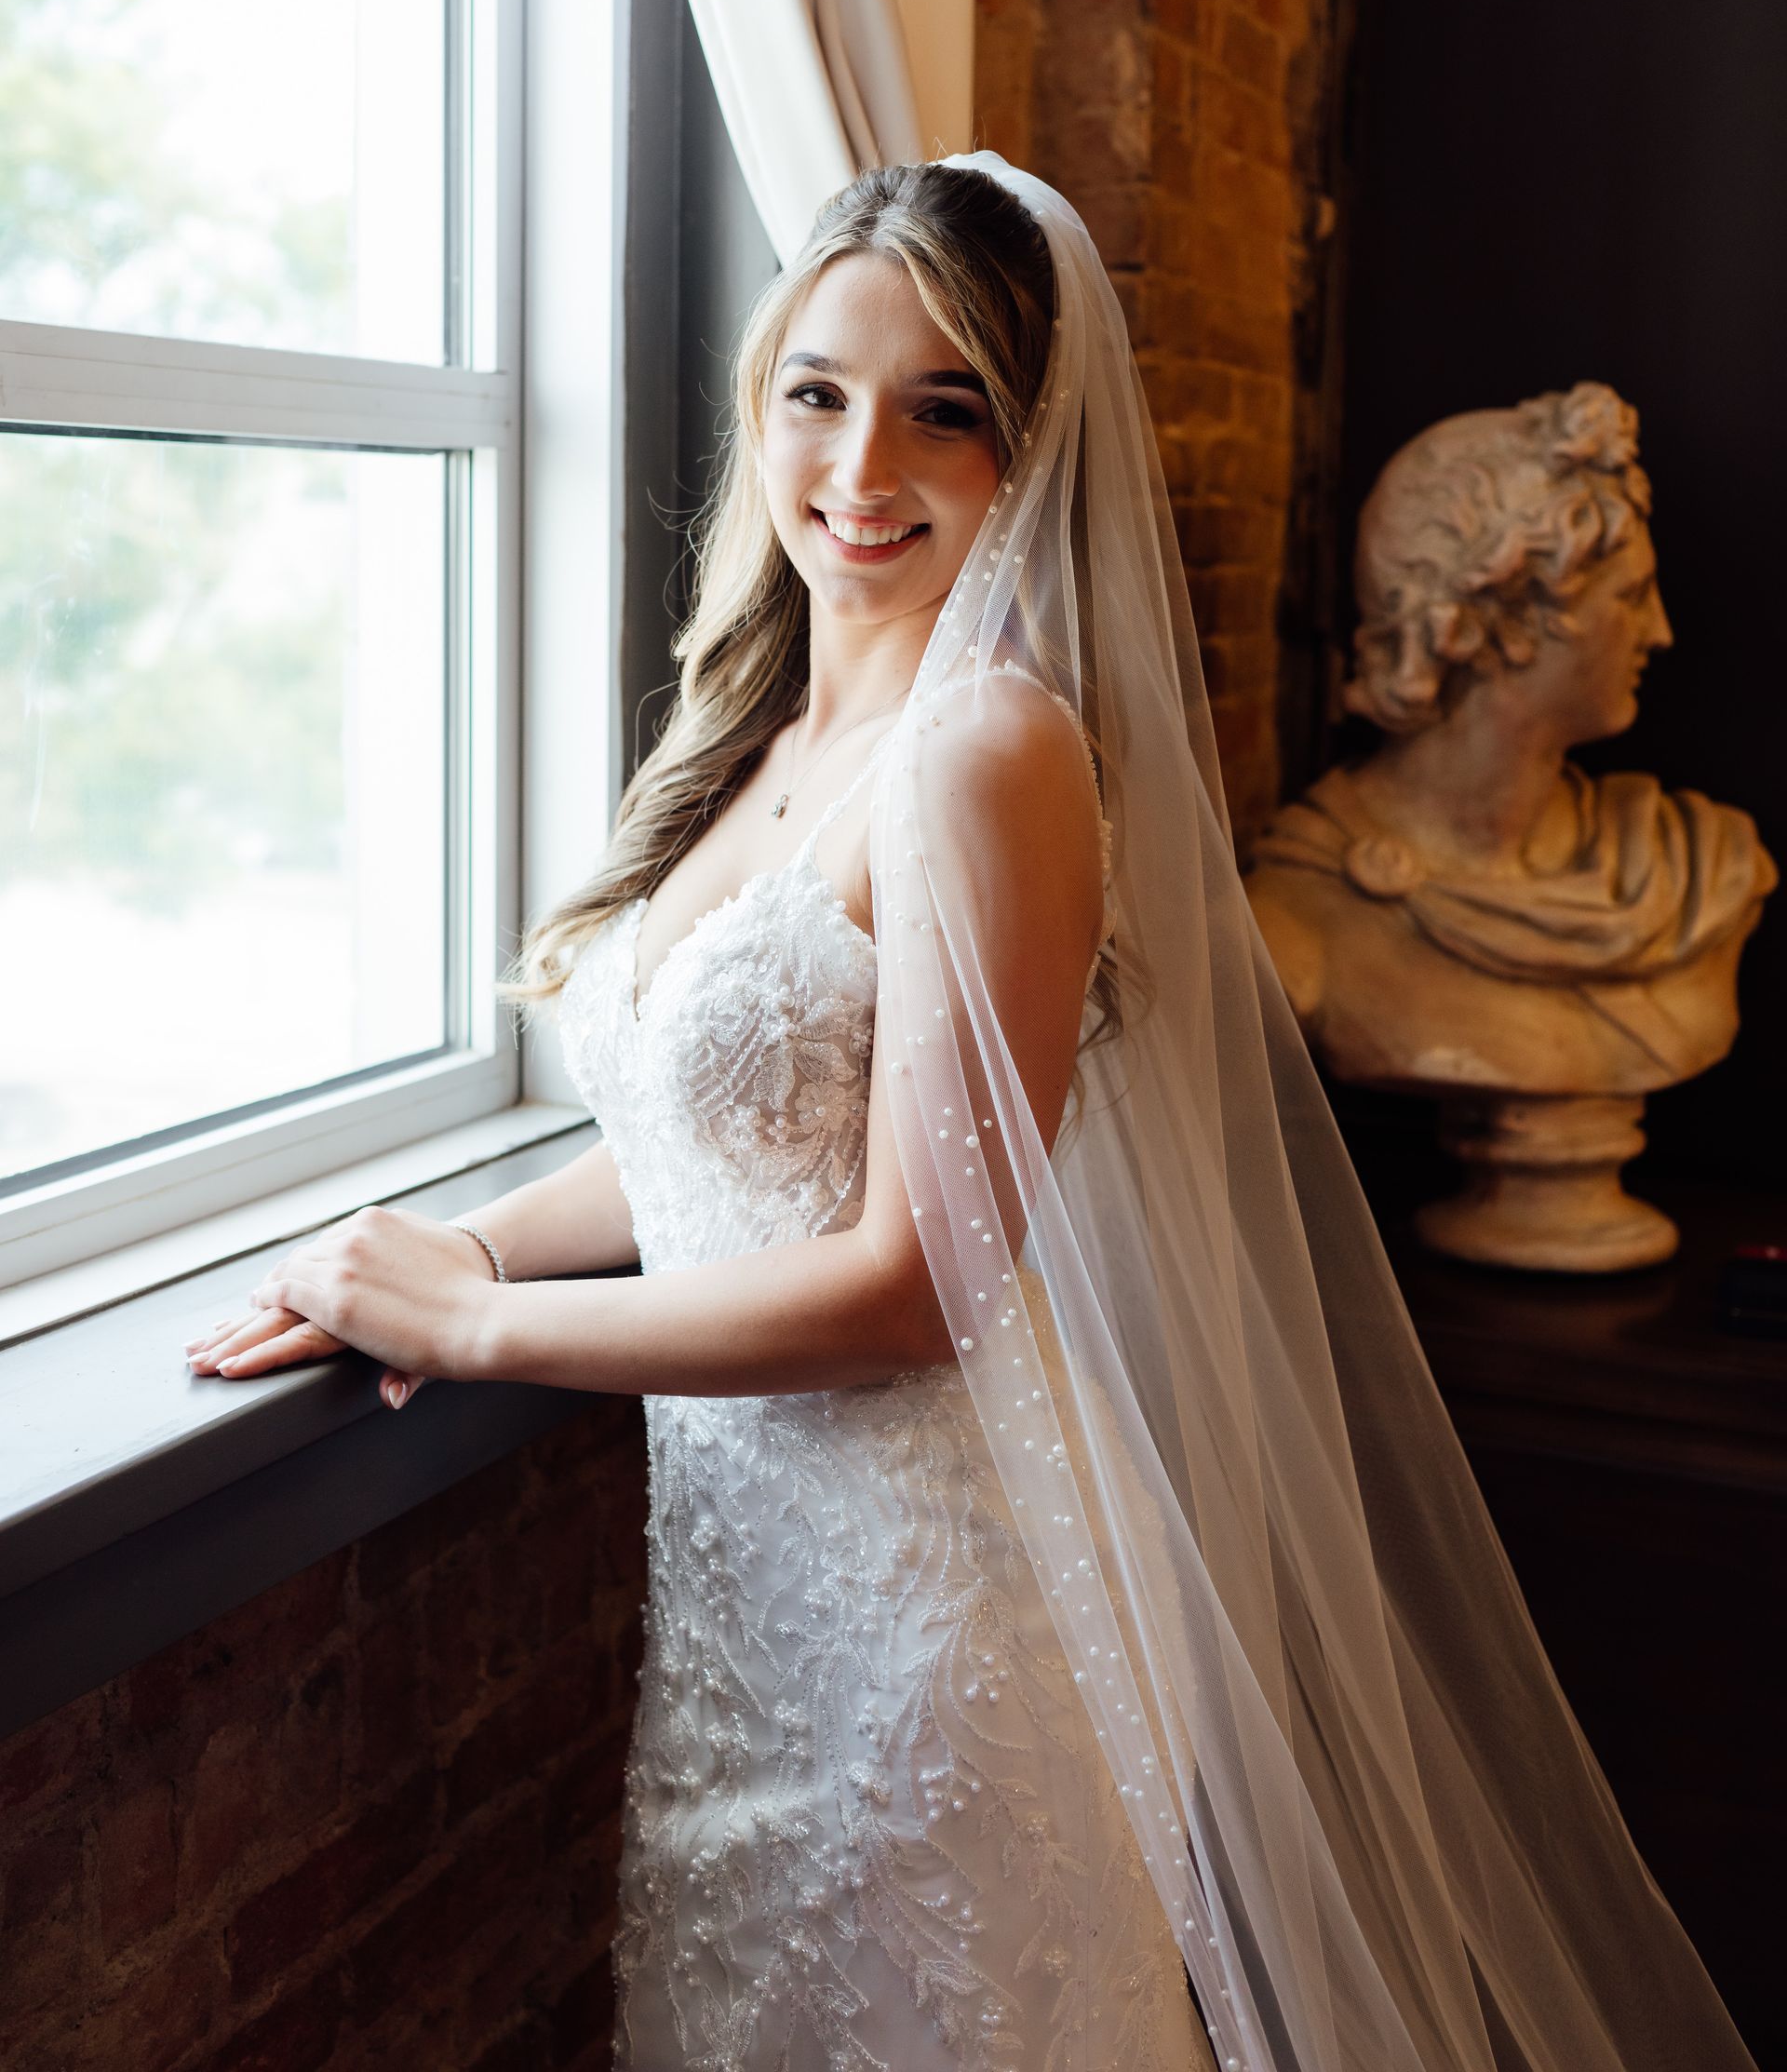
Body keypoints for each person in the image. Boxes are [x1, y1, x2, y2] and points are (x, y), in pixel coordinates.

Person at [187, 157, 1758, 2072]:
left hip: (933, 1640)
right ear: (761, 403)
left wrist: (479, 1327)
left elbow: (915, 1283)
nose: (863, 465)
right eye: (819, 393)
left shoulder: (988, 749)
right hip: (759, 1621)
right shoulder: (768, 734)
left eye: (949, 409)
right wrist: (473, 1241)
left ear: (1037, 449)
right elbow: (723, 1146)